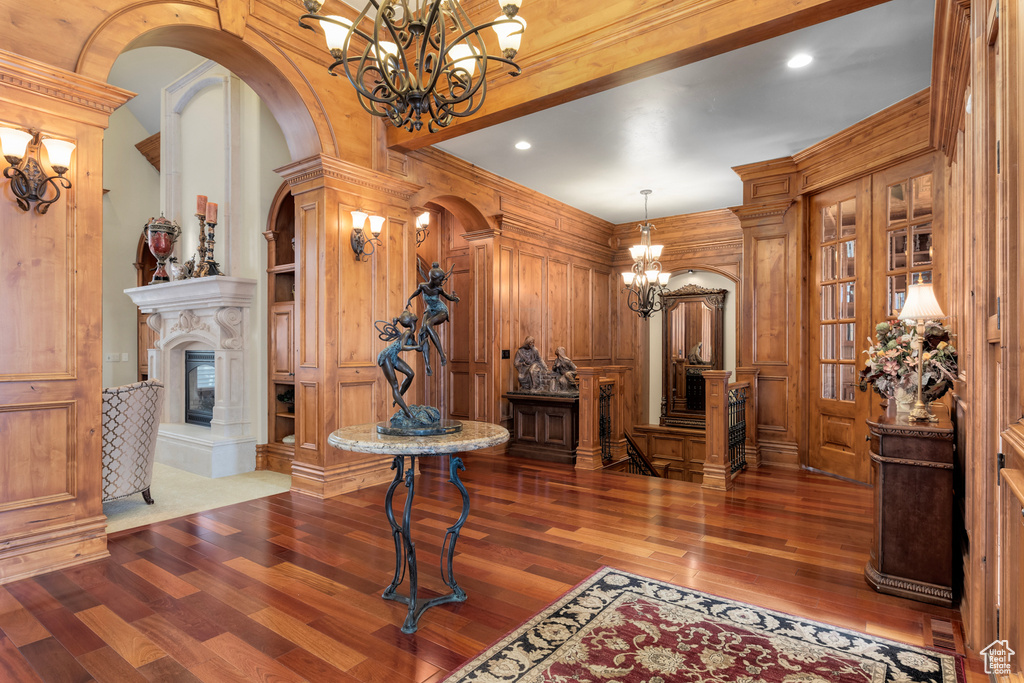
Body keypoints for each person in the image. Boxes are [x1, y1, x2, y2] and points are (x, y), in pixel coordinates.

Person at [376, 310, 429, 419]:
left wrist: (423, 340)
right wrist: (416, 347)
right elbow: (403, 347)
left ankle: (398, 396)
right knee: (394, 385)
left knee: (410, 374)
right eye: (410, 314)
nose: (413, 314)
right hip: (386, 356)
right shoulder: (407, 333)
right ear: (410, 321)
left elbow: (418, 348)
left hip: (393, 357)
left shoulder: (411, 335)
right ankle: (408, 413)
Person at [406, 262, 459, 370]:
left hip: (441, 310)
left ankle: (442, 355)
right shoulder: (423, 286)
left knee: (428, 324)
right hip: (430, 310)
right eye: (440, 280)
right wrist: (409, 299)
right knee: (423, 332)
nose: (441, 282)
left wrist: (455, 298)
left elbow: (448, 296)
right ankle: (427, 365)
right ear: (433, 278)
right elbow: (417, 292)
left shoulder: (439, 289)